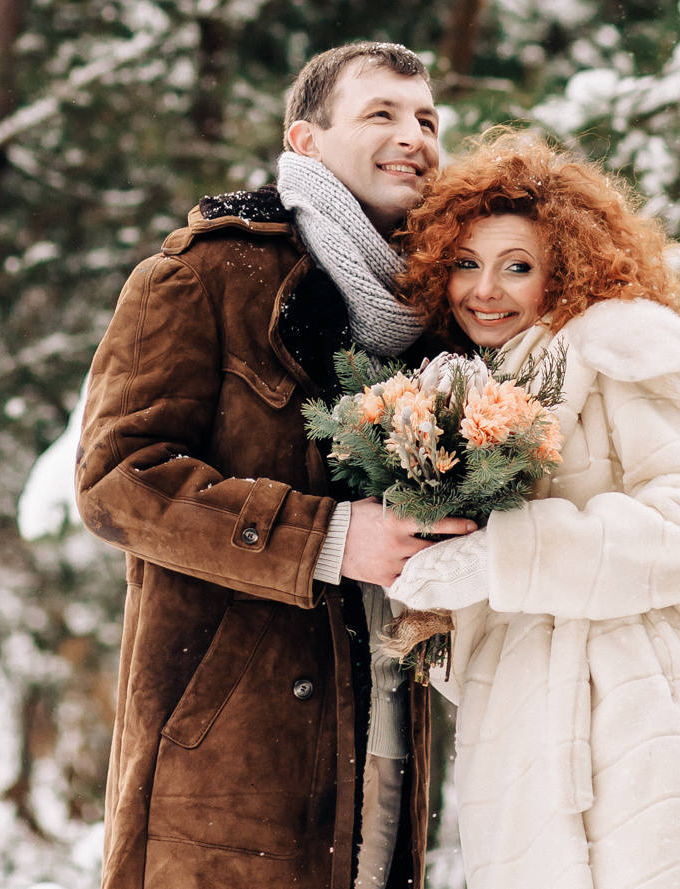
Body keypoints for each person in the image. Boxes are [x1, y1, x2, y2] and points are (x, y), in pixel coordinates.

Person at [77, 43, 475, 889]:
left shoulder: (447, 317)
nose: (415, 136)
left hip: (389, 743)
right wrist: (326, 536)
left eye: (427, 119)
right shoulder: (201, 272)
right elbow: (116, 479)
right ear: (304, 140)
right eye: (382, 114)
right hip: (228, 761)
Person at [386, 130, 680, 889]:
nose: (484, 289)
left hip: (639, 702)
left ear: (563, 267)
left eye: (517, 266)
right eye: (465, 263)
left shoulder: (615, 348)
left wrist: (499, 556)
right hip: (521, 719)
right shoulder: (469, 387)